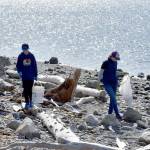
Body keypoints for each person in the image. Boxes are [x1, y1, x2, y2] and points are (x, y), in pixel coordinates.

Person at [99, 51, 122, 120]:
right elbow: (101, 73)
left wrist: (118, 81)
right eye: (115, 58)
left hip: (114, 83)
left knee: (112, 99)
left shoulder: (115, 62)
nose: (116, 59)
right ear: (111, 56)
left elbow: (114, 72)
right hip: (107, 83)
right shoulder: (105, 63)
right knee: (113, 98)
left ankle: (109, 114)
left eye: (117, 59)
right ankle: (117, 114)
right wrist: (100, 81)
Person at [16, 44, 37, 109]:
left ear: (28, 49)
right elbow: (18, 65)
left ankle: (31, 102)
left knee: (30, 89)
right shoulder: (20, 56)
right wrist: (19, 72)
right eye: (23, 49)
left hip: (31, 76)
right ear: (22, 49)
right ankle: (27, 102)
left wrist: (36, 75)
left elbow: (34, 66)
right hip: (24, 76)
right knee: (25, 90)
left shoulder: (31, 56)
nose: (25, 50)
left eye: (26, 49)